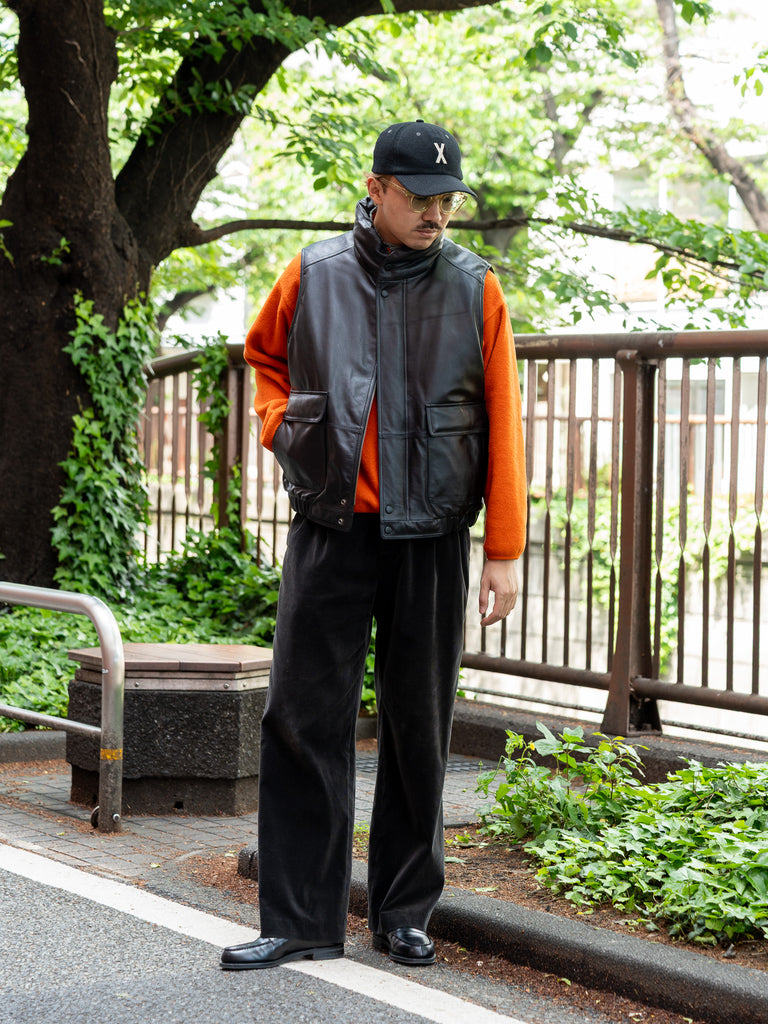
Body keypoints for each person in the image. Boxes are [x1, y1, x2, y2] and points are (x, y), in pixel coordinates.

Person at [220, 119, 527, 971]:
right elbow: (263, 357)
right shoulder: (312, 272)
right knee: (301, 721)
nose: (437, 213)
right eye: (421, 198)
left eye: (448, 200)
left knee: (419, 726)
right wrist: (285, 427)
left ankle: (402, 911)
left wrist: (504, 547)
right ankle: (299, 920)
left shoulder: (475, 286)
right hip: (331, 526)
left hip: (433, 533)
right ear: (376, 188)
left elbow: (504, 416)